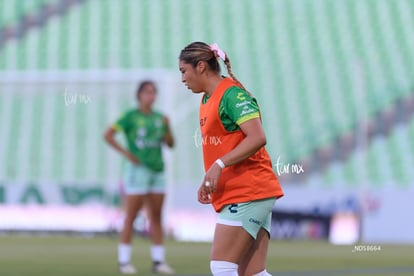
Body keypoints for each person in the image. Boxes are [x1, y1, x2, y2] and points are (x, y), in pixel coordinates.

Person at [178, 42, 284, 276]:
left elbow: (257, 137)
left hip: (249, 191)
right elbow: (224, 146)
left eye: (184, 71)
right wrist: (210, 175)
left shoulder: (232, 94)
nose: (182, 79)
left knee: (222, 267)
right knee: (252, 273)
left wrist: (219, 165)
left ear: (202, 66)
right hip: (250, 191)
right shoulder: (207, 99)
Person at [104, 80, 175, 274]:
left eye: (153, 92)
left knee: (157, 217)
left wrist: (168, 128)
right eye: (147, 92)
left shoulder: (160, 118)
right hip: (137, 171)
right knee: (131, 215)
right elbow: (108, 135)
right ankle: (124, 261)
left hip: (158, 170)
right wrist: (127, 154)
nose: (151, 96)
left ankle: (158, 261)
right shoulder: (130, 116)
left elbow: (170, 144)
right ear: (139, 95)